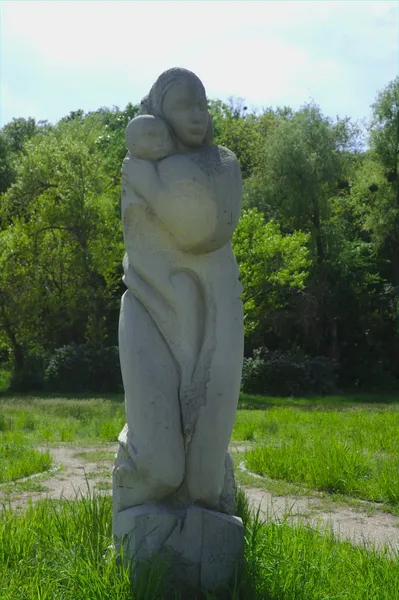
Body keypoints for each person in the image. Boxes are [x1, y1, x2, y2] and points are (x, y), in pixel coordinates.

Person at [114, 68, 243, 517]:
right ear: (160, 116)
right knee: (160, 468)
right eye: (183, 106)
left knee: (207, 483)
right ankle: (132, 514)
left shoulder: (221, 162)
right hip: (151, 309)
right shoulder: (142, 163)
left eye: (203, 104)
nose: (198, 115)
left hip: (214, 315)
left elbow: (202, 226)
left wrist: (148, 180)